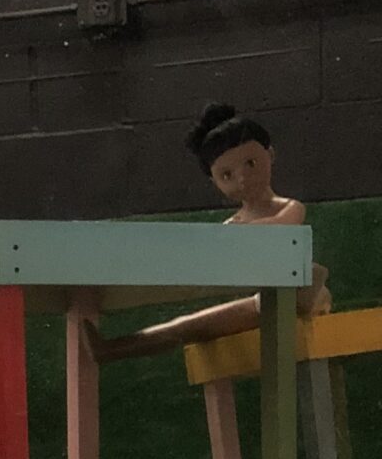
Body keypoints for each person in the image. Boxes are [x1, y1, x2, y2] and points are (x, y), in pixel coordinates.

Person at [89, 102, 332, 363]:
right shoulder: (232, 225)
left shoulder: (287, 207)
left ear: (270, 154)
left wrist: (239, 235)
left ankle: (115, 349)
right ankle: (115, 349)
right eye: (227, 175)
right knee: (193, 327)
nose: (242, 178)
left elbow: (282, 225)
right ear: (214, 182)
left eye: (250, 163)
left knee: (192, 326)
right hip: (267, 302)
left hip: (299, 299)